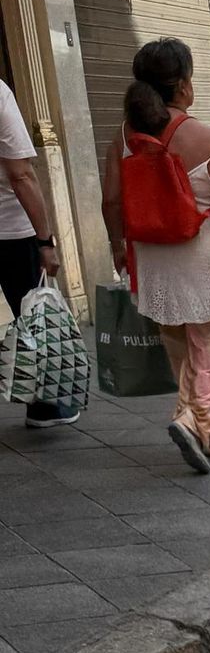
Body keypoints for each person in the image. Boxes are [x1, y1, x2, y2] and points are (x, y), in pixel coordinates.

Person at [100, 38, 210, 475]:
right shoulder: (204, 136)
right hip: (202, 262)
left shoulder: (124, 138)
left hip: (153, 264)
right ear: (183, 85)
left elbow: (111, 201)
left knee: (184, 352)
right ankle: (189, 420)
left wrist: (118, 247)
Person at [0, 76, 78, 430]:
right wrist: (45, 241)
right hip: (10, 234)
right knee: (31, 317)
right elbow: (21, 174)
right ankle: (44, 406)